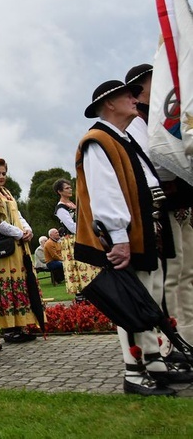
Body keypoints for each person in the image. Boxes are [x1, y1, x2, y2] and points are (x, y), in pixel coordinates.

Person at [75, 78, 191, 396]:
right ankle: (134, 372)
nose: (134, 99)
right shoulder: (98, 140)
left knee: (149, 298)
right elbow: (105, 192)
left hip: (144, 230)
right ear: (109, 103)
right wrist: (118, 236)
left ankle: (155, 362)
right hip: (125, 235)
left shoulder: (123, 138)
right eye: (128, 95)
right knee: (132, 304)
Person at [126, 63, 193, 359]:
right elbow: (156, 162)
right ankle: (173, 339)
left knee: (187, 273)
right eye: (155, 80)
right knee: (172, 275)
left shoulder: (160, 115)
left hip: (182, 201)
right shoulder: (139, 122)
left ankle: (188, 334)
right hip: (163, 204)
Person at [0, 158, 41, 343]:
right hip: (3, 246)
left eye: (3, 173)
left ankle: (21, 324)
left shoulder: (7, 193)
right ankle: (9, 329)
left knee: (20, 283)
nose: (1, 177)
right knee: (5, 284)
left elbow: (18, 214)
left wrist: (28, 229)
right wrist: (18, 233)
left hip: (17, 245)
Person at [53, 178, 100, 297]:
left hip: (81, 236)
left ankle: (94, 292)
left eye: (70, 187)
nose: (70, 189)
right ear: (60, 191)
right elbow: (72, 226)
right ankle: (82, 294)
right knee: (79, 266)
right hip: (72, 239)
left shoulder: (73, 204)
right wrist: (86, 230)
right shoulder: (61, 208)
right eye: (67, 188)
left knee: (89, 265)